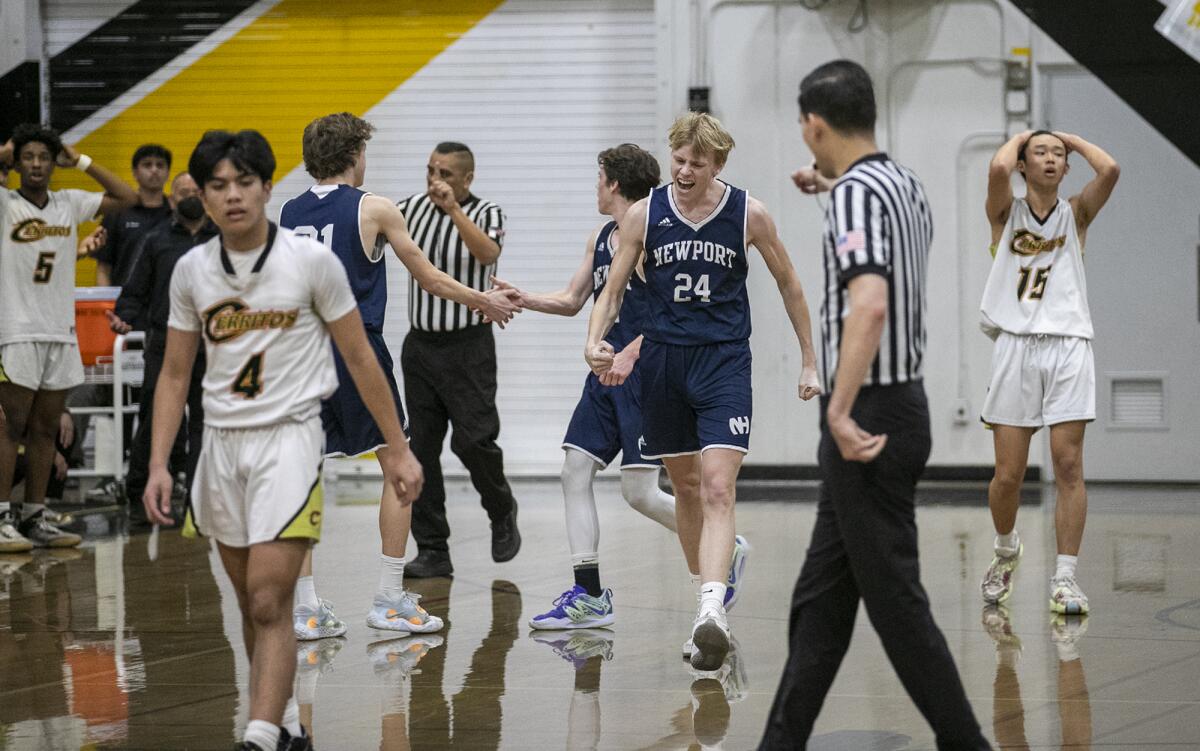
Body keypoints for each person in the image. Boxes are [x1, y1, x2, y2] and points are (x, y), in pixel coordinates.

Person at [142, 128, 423, 751]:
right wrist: (160, 463)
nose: (233, 195)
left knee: (272, 598)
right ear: (205, 197)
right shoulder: (192, 271)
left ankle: (262, 733)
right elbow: (173, 373)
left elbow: (359, 356)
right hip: (220, 451)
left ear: (269, 188)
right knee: (252, 605)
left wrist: (397, 447)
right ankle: (291, 724)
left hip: (290, 444)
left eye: (245, 182)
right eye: (218, 185)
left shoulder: (311, 263)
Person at [759, 60, 990, 749]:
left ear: (815, 123)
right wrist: (828, 188)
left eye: (803, 127)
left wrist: (837, 410)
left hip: (869, 415)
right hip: (901, 405)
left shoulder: (855, 196)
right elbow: (868, 221)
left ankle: (969, 742)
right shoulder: (901, 184)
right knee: (821, 599)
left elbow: (871, 304)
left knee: (894, 601)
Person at [585, 112, 822, 671]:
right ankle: (706, 602)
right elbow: (613, 288)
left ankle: (712, 613)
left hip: (722, 364)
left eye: (698, 161)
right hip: (664, 364)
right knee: (686, 488)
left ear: (718, 164)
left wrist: (810, 360)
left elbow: (790, 284)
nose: (686, 169)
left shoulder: (749, 213)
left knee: (718, 488)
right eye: (680, 159)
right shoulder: (645, 214)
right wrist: (594, 342)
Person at [278, 113, 520, 639]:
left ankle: (304, 608)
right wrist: (483, 298)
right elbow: (428, 275)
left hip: (299, 355)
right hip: (356, 350)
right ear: (352, 156)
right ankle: (389, 597)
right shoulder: (375, 207)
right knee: (400, 468)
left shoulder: (289, 211)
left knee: (300, 474)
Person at [493, 143, 748, 630]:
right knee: (574, 469)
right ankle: (588, 594)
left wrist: (634, 350)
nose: (595, 186)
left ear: (612, 182)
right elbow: (573, 300)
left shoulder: (655, 229)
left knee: (639, 493)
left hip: (645, 372)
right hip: (605, 374)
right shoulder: (603, 237)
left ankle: (723, 546)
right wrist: (520, 297)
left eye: (598, 178)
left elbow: (678, 313)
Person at [978, 130, 1118, 616]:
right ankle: (1005, 549)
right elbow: (996, 170)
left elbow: (1112, 170)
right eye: (1041, 153)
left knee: (1069, 465)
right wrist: (1023, 138)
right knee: (1008, 476)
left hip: (1068, 347)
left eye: (1058, 155)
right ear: (1023, 163)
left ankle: (1065, 578)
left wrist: (1072, 140)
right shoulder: (1005, 212)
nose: (1052, 159)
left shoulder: (1075, 213)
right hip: (1015, 346)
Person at [0, 123, 137, 553]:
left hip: (61, 333)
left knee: (45, 430)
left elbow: (127, 199)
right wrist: (6, 149)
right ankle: (3, 515)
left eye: (44, 157)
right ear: (18, 164)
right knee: (10, 428)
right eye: (28, 157)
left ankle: (34, 515)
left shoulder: (68, 203)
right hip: (18, 332)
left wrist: (80, 160)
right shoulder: (5, 203)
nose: (37, 164)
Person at [397, 142, 521, 578]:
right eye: (430, 170)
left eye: (445, 173)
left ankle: (501, 509)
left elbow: (488, 254)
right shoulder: (409, 208)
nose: (435, 180)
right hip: (421, 348)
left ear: (467, 179)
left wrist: (453, 211)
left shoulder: (487, 211)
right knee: (422, 450)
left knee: (473, 441)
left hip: (469, 347)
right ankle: (433, 549)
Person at [109, 172, 217, 525]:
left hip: (210, 349)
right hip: (163, 345)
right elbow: (134, 290)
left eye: (194, 191)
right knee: (153, 416)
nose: (189, 197)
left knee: (204, 422)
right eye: (182, 191)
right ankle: (139, 489)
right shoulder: (155, 240)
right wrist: (124, 316)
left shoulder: (221, 242)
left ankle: (198, 495)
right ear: (173, 199)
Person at [90, 143, 174, 289]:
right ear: (135, 172)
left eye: (160, 165)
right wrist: (106, 304)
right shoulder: (117, 212)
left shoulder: (176, 215)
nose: (154, 170)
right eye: (147, 165)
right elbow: (104, 267)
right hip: (125, 305)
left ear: (167, 173)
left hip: (168, 305)